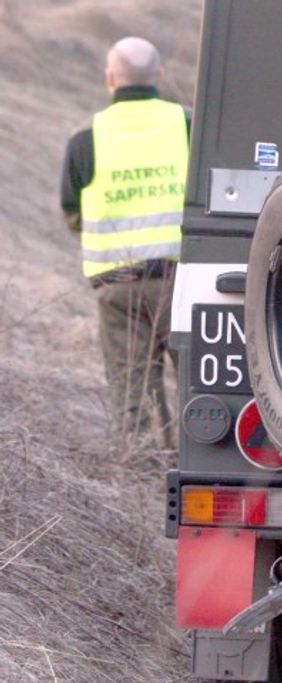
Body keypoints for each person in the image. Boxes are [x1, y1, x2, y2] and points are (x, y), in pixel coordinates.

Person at [61, 36, 189, 446]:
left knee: (134, 392)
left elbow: (72, 212)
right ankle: (207, 466)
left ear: (110, 78)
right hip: (187, 283)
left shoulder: (85, 138)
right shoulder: (188, 123)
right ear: (159, 76)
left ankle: (146, 476)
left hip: (120, 289)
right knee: (203, 382)